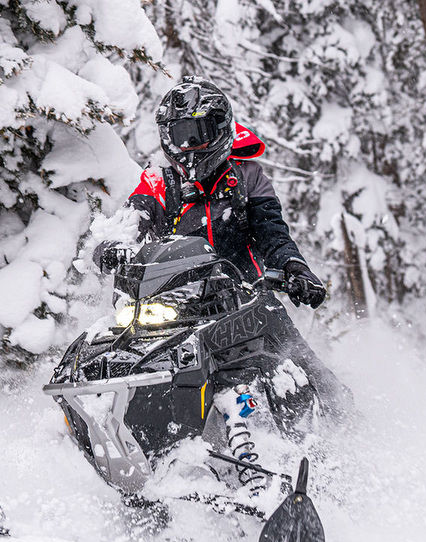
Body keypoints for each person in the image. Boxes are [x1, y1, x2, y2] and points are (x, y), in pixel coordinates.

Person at [101, 76, 352, 415]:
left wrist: (294, 267)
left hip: (242, 298)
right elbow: (132, 219)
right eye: (179, 136)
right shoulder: (158, 179)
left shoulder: (246, 176)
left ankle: (339, 416)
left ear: (218, 130)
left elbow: (272, 232)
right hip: (177, 303)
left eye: (196, 134)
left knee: (289, 344)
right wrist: (114, 246)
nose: (187, 147)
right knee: (119, 338)